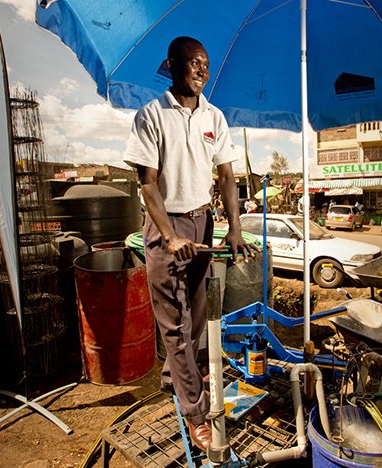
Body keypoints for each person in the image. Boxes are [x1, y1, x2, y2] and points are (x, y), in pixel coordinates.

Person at [123, 36, 258, 453]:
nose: (202, 71)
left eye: (206, 65)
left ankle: (173, 378)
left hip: (202, 224)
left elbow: (228, 177)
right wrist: (168, 235)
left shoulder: (214, 117)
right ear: (172, 64)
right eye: (193, 63)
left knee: (196, 318)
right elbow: (147, 183)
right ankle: (197, 414)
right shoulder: (151, 115)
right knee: (176, 328)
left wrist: (234, 228)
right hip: (166, 225)